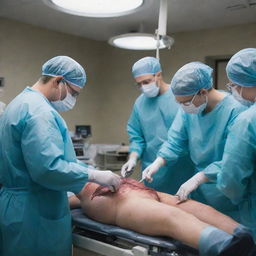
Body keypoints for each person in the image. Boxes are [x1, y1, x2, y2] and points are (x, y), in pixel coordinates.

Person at [0, 56, 121, 256]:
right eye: (73, 93)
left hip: (14, 207)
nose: (73, 99)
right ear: (58, 81)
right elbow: (49, 168)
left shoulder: (17, 104)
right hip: (35, 212)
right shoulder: (40, 112)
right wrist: (93, 174)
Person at [142, 62, 247, 220]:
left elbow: (235, 159)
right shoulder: (189, 111)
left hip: (230, 193)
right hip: (203, 193)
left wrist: (200, 177)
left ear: (202, 92)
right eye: (179, 103)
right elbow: (175, 141)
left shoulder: (237, 111)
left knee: (237, 237)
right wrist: (158, 161)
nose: (183, 107)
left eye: (185, 102)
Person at [179, 48, 256, 239]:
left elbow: (231, 180)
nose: (233, 89)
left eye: (234, 85)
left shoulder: (246, 120)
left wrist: (239, 199)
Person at [69, 178, 256, 256]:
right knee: (173, 217)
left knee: (201, 209)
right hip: (127, 205)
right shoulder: (72, 188)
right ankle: (224, 246)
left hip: (146, 191)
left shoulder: (85, 172)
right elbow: (65, 201)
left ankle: (244, 235)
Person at [121, 56, 194, 194]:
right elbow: (137, 137)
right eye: (139, 84)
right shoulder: (140, 103)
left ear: (158, 75)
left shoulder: (180, 98)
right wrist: (133, 159)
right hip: (152, 173)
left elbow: (188, 136)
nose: (143, 87)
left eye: (146, 82)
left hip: (182, 169)